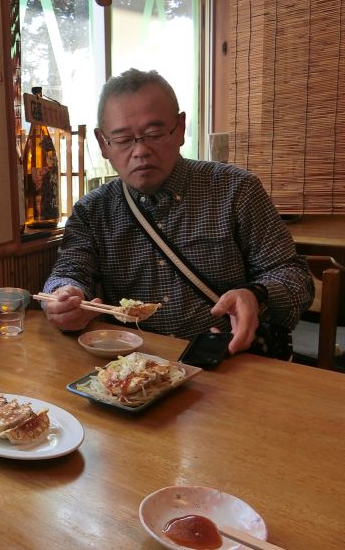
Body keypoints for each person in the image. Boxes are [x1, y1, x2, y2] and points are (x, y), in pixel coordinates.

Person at [42, 68, 314, 354]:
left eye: (154, 134)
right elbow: (68, 273)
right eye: (122, 139)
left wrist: (255, 296)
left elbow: (295, 277)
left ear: (180, 129)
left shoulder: (236, 189)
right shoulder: (92, 210)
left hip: (232, 357)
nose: (140, 151)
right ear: (103, 144)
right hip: (136, 366)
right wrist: (64, 296)